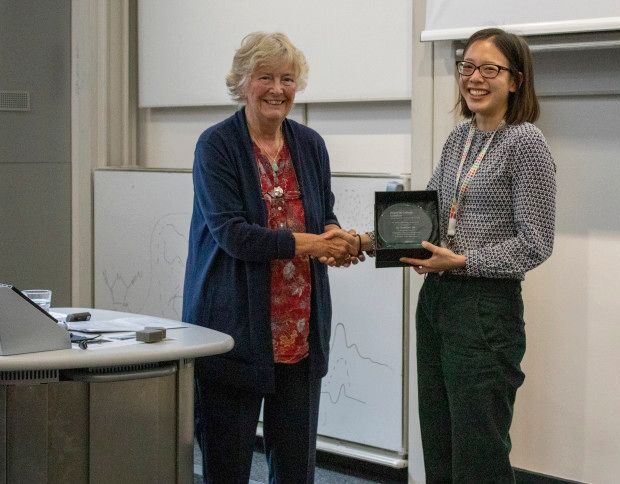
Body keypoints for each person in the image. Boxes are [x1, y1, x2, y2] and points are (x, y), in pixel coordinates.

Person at [357, 28, 557, 482]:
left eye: (490, 69)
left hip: (485, 310)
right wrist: (363, 241)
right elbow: (420, 221)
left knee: (478, 450)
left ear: (516, 80)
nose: (475, 78)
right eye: (467, 67)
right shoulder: (458, 138)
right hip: (437, 303)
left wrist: (464, 261)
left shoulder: (527, 144)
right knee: (439, 439)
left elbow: (537, 242)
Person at [182, 32, 358, 483]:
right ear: (242, 83)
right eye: (265, 77)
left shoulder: (310, 144)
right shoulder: (216, 145)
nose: (278, 89)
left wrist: (335, 236)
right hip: (232, 332)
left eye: (287, 78)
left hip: (299, 333)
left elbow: (323, 212)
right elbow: (234, 236)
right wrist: (314, 245)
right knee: (227, 465)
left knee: (296, 468)